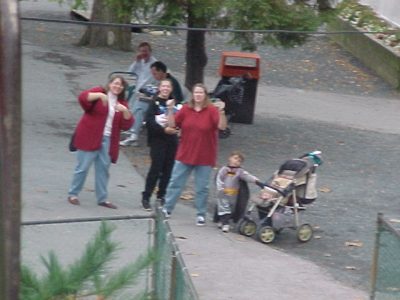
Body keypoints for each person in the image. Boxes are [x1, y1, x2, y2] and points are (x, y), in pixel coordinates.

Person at [162, 83, 227, 226]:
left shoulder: (211, 111)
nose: (198, 95)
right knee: (175, 183)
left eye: (201, 93)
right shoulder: (186, 109)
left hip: (205, 156)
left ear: (205, 95)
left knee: (202, 188)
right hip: (185, 153)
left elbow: (222, 127)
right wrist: (170, 109)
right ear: (193, 95)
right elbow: (173, 125)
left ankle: (200, 214)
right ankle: (167, 208)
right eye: (196, 92)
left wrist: (221, 112)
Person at [67, 75, 134, 209]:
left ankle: (102, 198)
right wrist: (98, 95)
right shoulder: (99, 92)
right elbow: (83, 98)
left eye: (120, 85)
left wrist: (125, 111)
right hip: (90, 135)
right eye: (115, 83)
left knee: (103, 169)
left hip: (108, 138)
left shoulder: (122, 103)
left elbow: (127, 125)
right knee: (83, 167)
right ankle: (73, 194)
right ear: (109, 84)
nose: (117, 87)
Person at [120, 60, 184, 147]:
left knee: (141, 106)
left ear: (161, 72)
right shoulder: (166, 80)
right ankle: (132, 128)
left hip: (168, 107)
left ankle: (134, 134)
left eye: (155, 74)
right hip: (162, 104)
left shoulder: (168, 82)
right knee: (139, 100)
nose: (154, 76)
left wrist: (148, 98)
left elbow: (168, 98)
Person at [141, 79, 180, 211]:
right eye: (163, 86)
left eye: (168, 86)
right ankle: (146, 196)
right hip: (157, 140)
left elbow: (178, 121)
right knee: (155, 169)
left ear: (171, 89)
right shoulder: (154, 102)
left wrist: (175, 129)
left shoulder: (174, 102)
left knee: (168, 170)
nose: (165, 88)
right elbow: (149, 122)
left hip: (172, 141)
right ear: (159, 88)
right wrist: (163, 130)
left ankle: (161, 195)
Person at [215, 151, 265, 232]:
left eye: (239, 161)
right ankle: (225, 223)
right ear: (230, 158)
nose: (236, 161)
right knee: (223, 207)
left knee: (231, 208)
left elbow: (247, 176)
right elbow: (219, 179)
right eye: (235, 158)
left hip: (233, 194)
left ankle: (224, 221)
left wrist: (256, 181)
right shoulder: (224, 169)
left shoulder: (239, 171)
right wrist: (220, 188)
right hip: (223, 193)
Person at [120, 42, 157, 146]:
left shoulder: (154, 64)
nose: (143, 53)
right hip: (138, 91)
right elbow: (130, 73)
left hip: (149, 93)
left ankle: (134, 135)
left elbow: (151, 81)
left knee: (139, 108)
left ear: (150, 52)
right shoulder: (140, 62)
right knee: (131, 107)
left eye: (145, 51)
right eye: (141, 51)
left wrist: (143, 91)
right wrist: (136, 61)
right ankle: (131, 129)